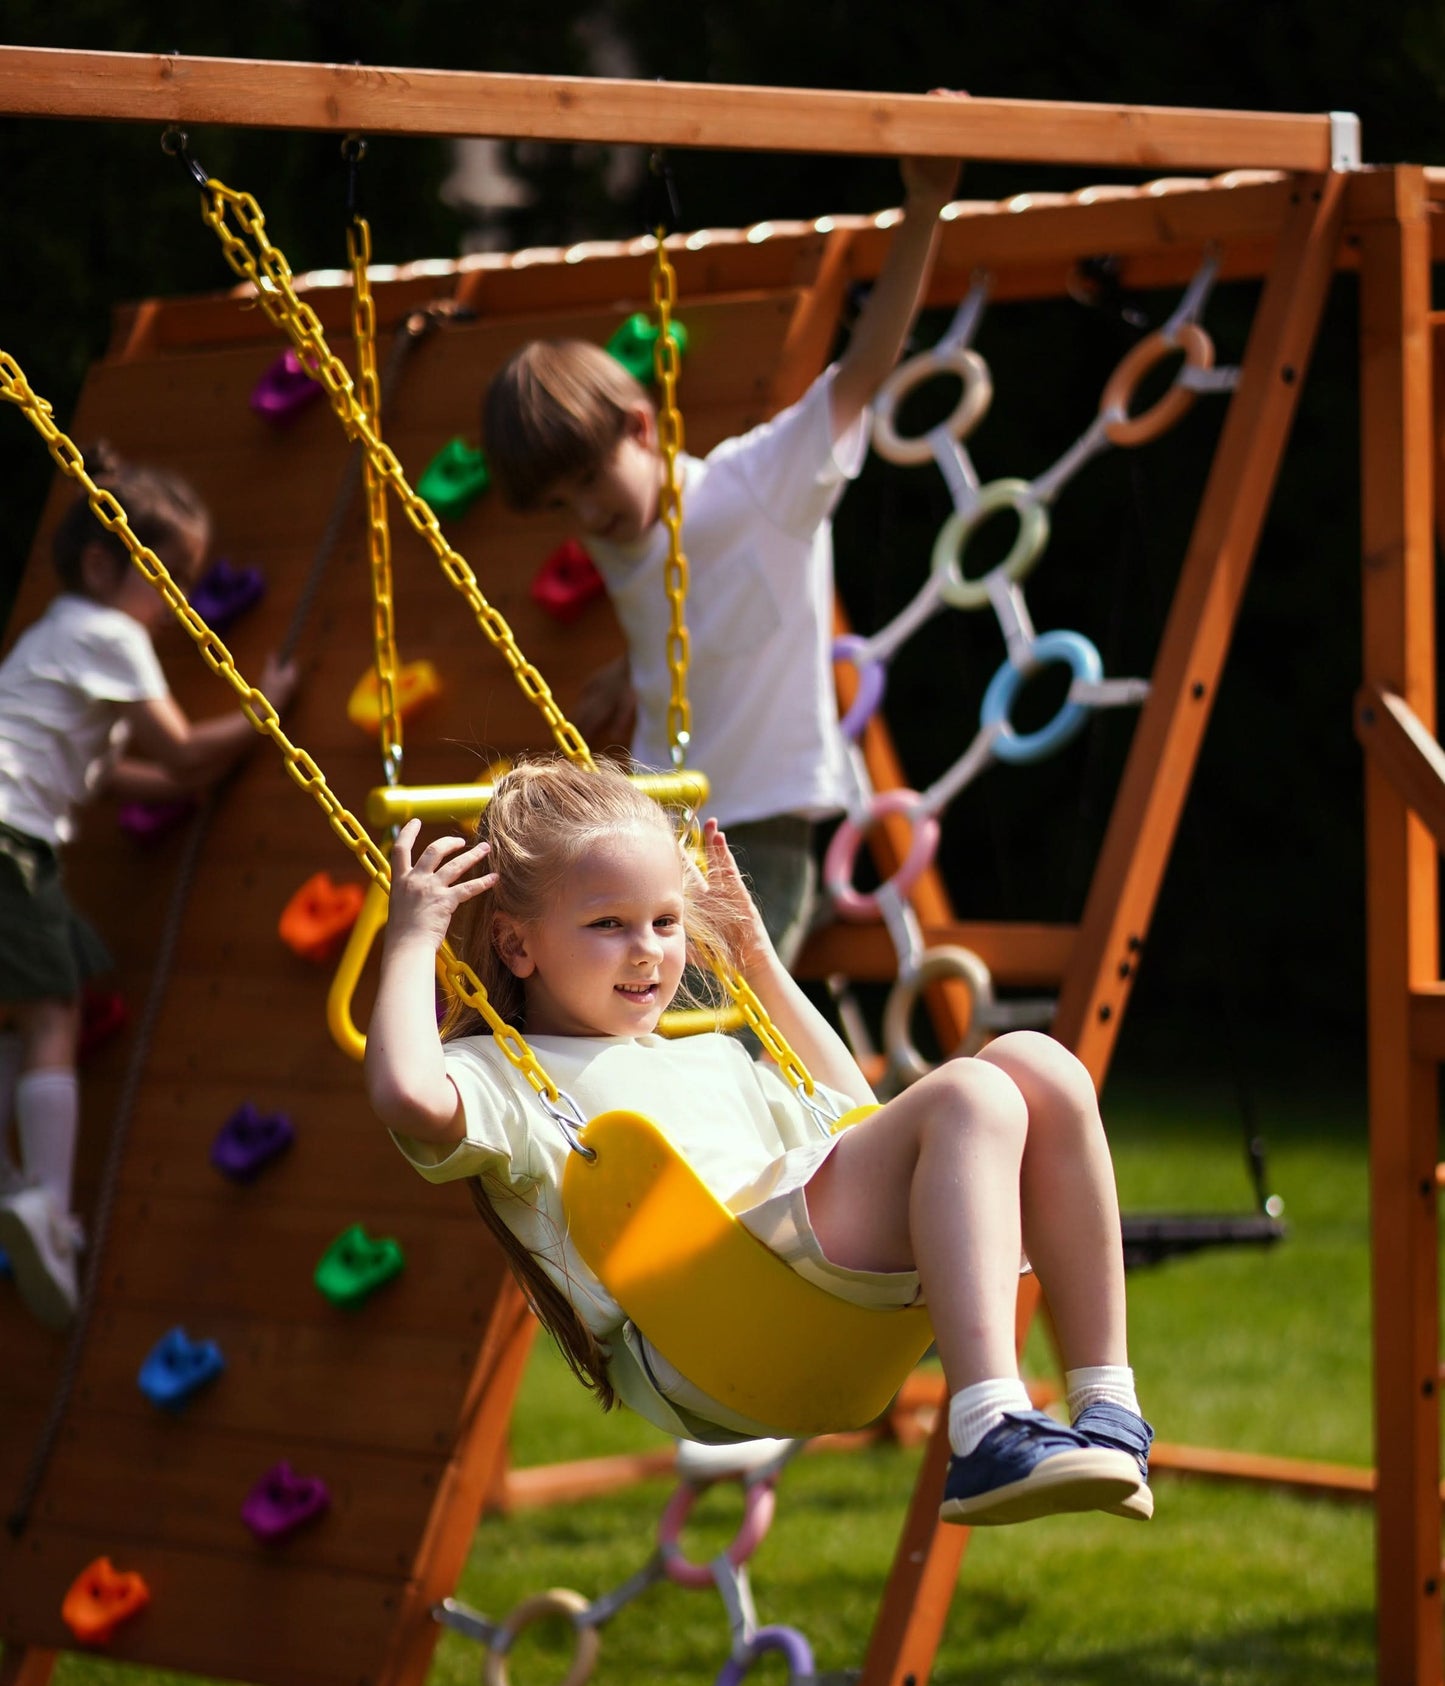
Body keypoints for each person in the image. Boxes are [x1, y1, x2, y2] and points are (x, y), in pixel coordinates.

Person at [365, 759, 1155, 1527]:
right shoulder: (506, 1074)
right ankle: (988, 1423)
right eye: (608, 924)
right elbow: (407, 1096)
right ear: (515, 946)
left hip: (813, 1295)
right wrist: (411, 940)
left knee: (1038, 1063)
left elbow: (854, 1116)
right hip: (714, 1324)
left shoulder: (707, 1054)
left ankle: (1108, 1405)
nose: (646, 949)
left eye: (665, 922)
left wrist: (756, 960)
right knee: (970, 1091)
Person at [480, 139, 963, 964]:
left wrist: (922, 209)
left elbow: (866, 364)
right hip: (659, 827)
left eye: (594, 482)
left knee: (725, 1025)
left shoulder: (756, 488)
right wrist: (630, 675)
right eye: (565, 506)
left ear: (642, 427)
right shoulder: (625, 545)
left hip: (762, 819)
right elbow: (692, 621)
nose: (589, 516)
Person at [0, 447, 298, 1328]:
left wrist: (201, 776)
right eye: (166, 578)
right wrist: (263, 712)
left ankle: (16, 1187)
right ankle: (46, 1210)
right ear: (104, 566)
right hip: (10, 838)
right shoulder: (112, 634)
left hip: (17, 833)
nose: (178, 602)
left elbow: (132, 777)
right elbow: (174, 748)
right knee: (53, 1013)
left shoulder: (52, 635)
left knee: (23, 1012)